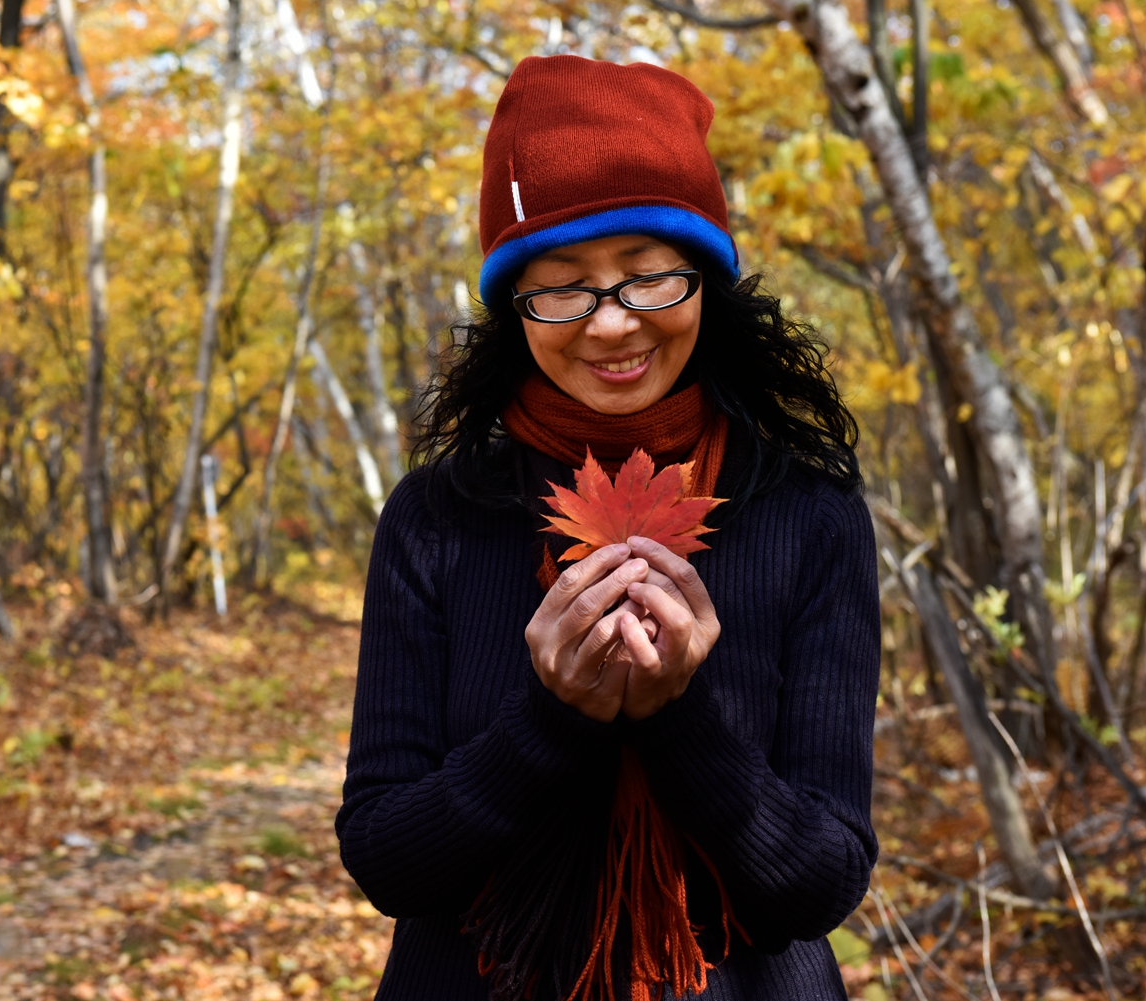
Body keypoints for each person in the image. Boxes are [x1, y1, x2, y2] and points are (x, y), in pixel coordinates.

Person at [336, 54, 878, 1001]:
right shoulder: (440, 517)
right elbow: (388, 859)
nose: (612, 324)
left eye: (646, 277)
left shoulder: (806, 515)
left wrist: (677, 716)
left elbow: (821, 878)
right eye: (563, 286)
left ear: (704, 279)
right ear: (515, 306)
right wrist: (552, 718)